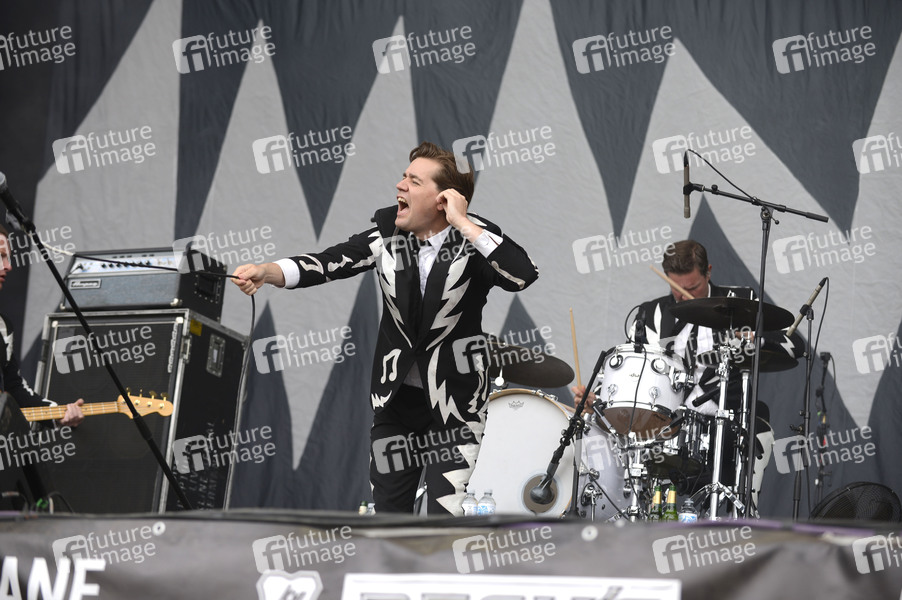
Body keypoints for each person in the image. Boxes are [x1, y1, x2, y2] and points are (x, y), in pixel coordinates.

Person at [233, 141, 539, 515]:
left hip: (455, 402)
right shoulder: (387, 235)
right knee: (388, 514)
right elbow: (328, 262)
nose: (400, 185)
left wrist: (463, 223)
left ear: (443, 200)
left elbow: (523, 274)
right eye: (404, 176)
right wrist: (268, 271)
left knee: (445, 515)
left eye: (414, 181)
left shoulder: (476, 239)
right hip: (396, 400)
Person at [574, 240, 792, 510]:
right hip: (666, 428)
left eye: (692, 287)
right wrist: (598, 400)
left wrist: (754, 338)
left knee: (758, 424)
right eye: (675, 288)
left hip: (726, 423)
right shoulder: (649, 314)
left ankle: (744, 514)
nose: (683, 295)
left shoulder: (740, 302)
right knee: (608, 433)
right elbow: (629, 373)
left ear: (708, 272)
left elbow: (791, 344)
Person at [0, 223, 84, 427]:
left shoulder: (3, 326)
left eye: (8, 257)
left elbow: (15, 389)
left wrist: (58, 413)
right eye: (1, 256)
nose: (8, 266)